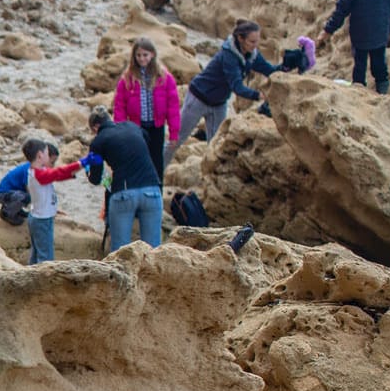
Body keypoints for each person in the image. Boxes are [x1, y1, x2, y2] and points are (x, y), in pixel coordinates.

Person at [166, 20, 279, 165]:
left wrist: (288, 67)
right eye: (252, 41)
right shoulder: (229, 56)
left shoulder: (252, 54)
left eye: (257, 41)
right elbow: (237, 87)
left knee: (215, 146)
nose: (255, 45)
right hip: (198, 98)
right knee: (176, 140)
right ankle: (154, 175)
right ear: (240, 38)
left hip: (218, 104)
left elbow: (269, 70)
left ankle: (208, 180)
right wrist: (257, 95)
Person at [86, 109, 164, 251]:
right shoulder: (132, 126)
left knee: (120, 251)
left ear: (96, 127)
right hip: (152, 189)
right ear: (110, 119)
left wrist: (89, 174)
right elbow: (147, 140)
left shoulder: (98, 141)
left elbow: (96, 178)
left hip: (124, 192)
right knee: (154, 250)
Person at [112, 37, 180, 182]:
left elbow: (173, 106)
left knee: (156, 162)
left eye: (145, 55)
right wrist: (121, 130)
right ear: (134, 57)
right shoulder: (128, 78)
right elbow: (120, 106)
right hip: (137, 127)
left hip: (157, 126)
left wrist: (174, 133)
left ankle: (157, 194)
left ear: (152, 55)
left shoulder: (164, 76)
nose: (142, 59)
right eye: (138, 55)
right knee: (136, 160)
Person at [18, 139, 84, 264]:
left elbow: (58, 175)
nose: (49, 158)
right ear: (39, 156)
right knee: (45, 256)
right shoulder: (39, 175)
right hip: (42, 220)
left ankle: (31, 276)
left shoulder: (35, 172)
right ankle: (44, 281)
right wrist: (81, 164)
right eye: (47, 154)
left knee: (36, 253)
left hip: (37, 217)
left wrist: (77, 169)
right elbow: (59, 172)